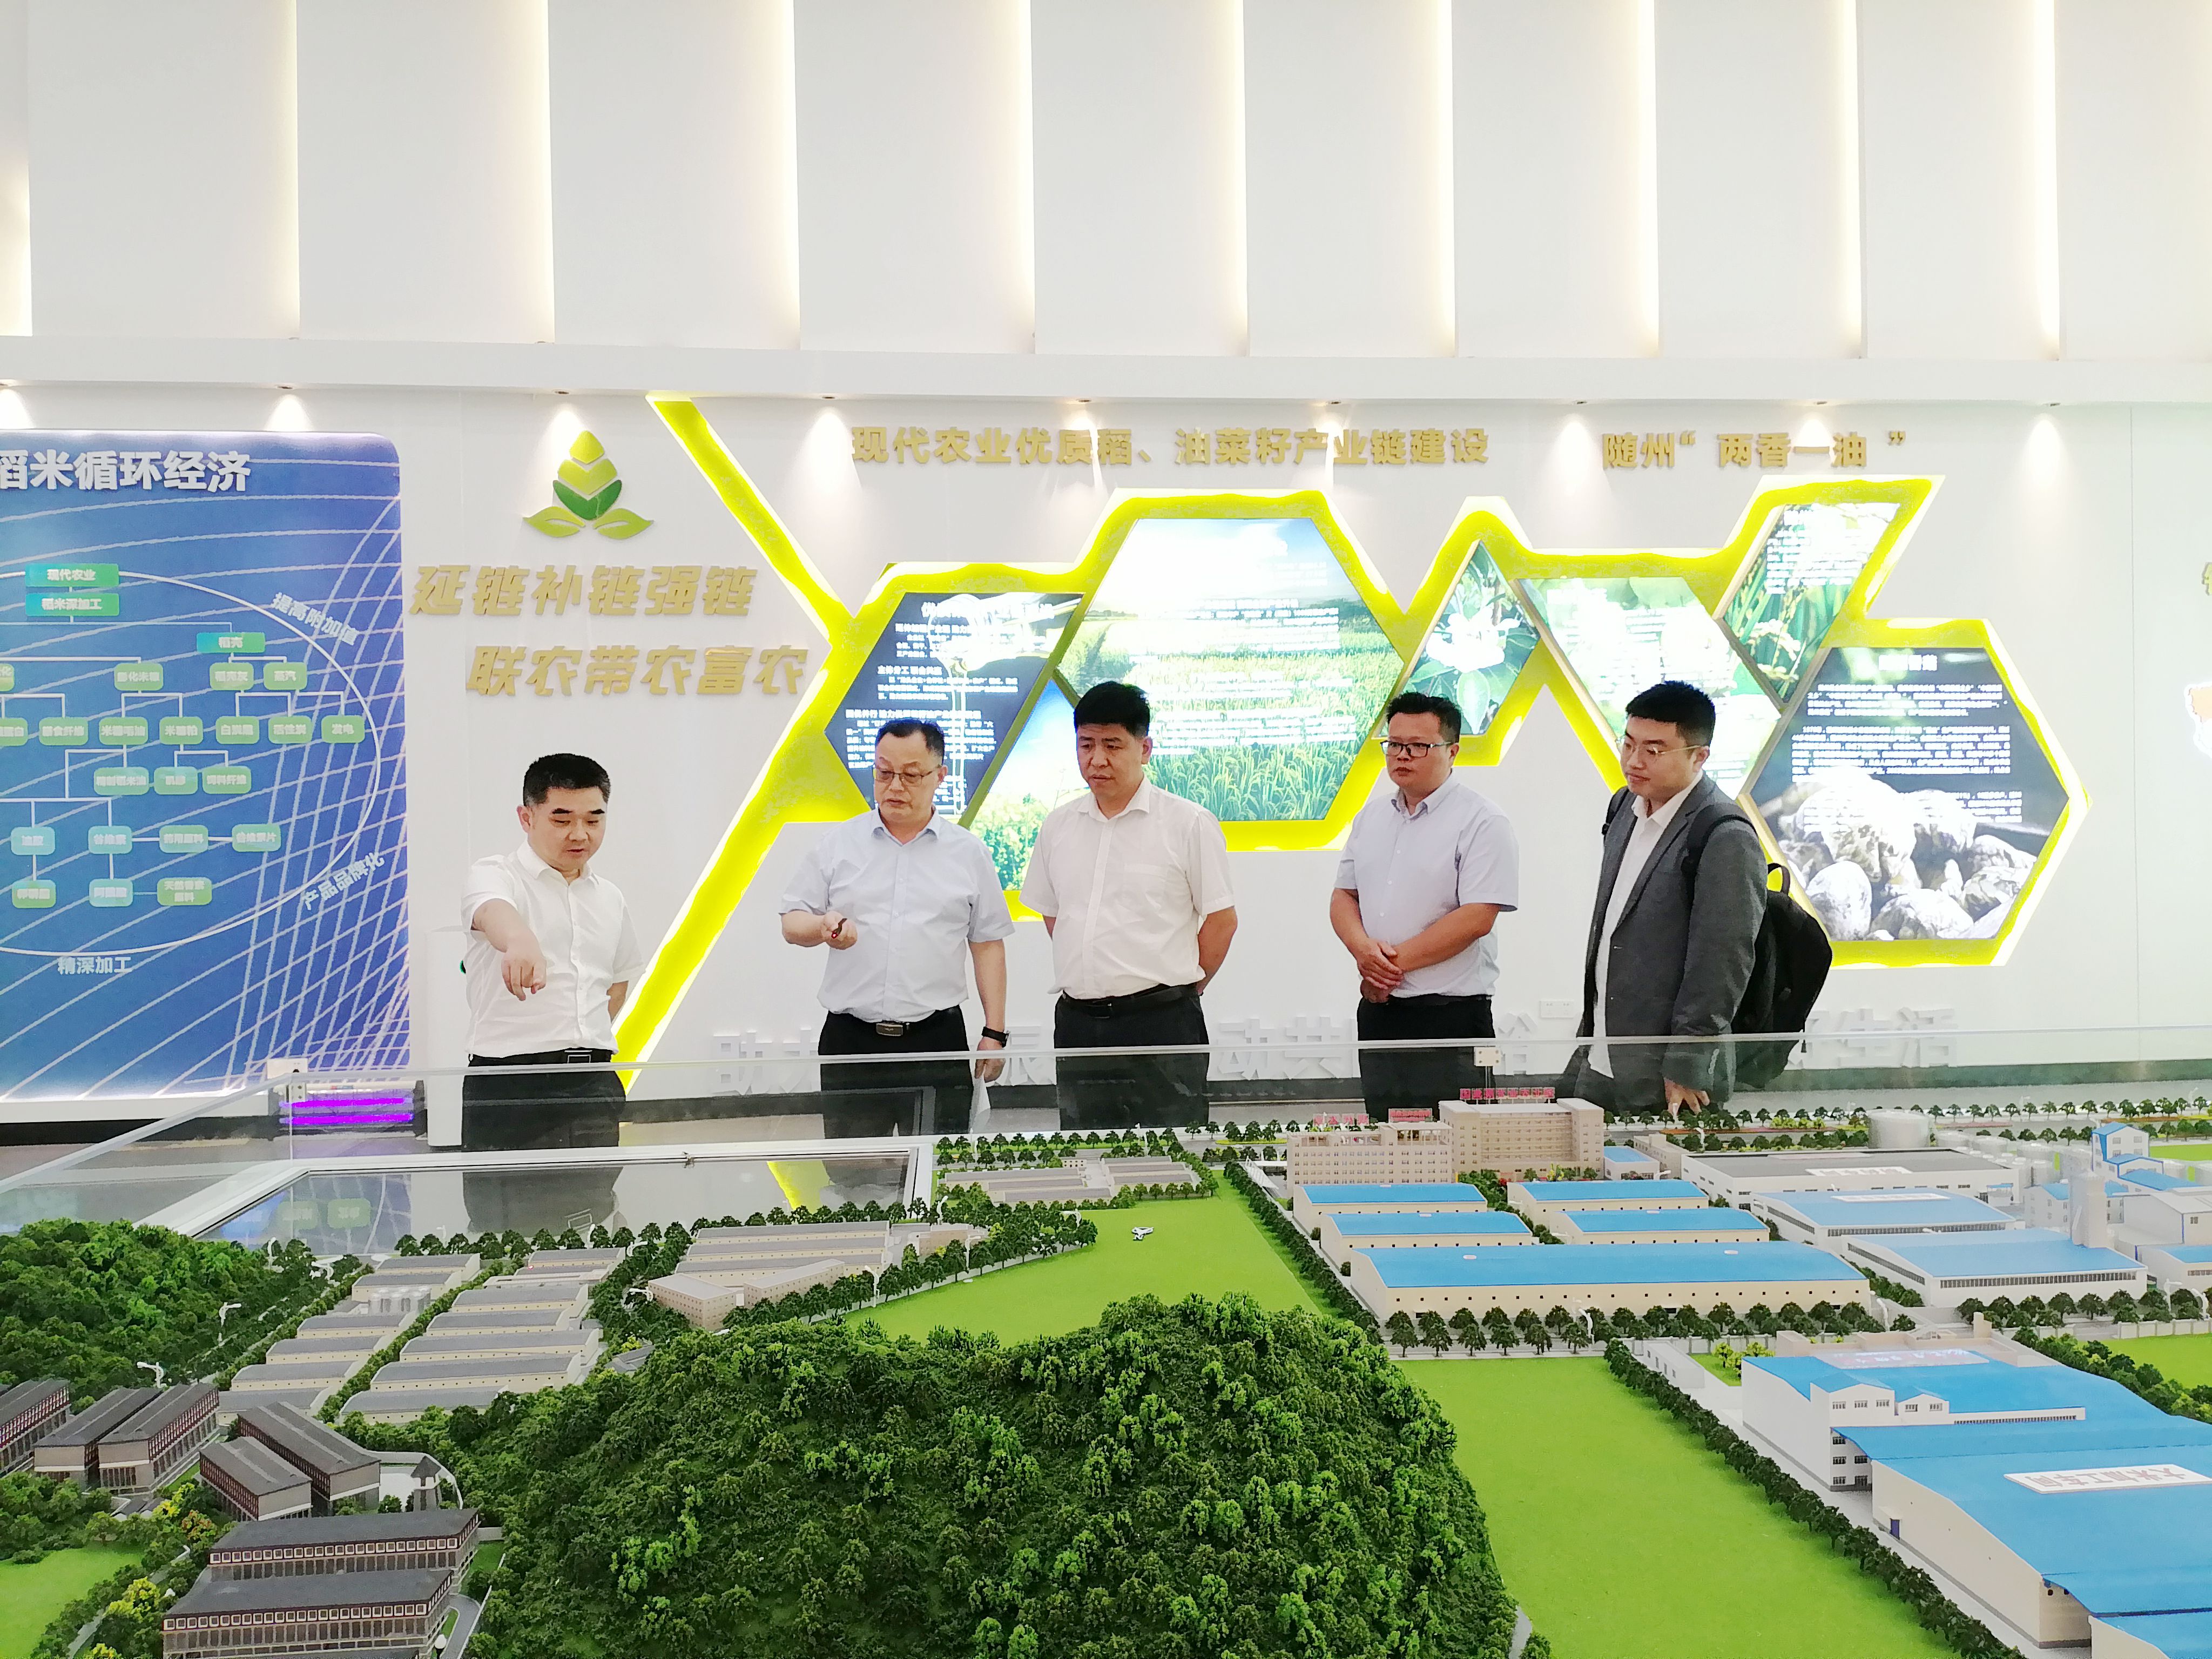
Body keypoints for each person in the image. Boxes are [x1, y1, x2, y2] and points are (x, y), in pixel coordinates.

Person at [780, 718, 1013, 1134]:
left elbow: (987, 944)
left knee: (938, 1164)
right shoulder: (839, 844)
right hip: (852, 1041)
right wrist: (822, 926)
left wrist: (994, 1032)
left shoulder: (968, 853)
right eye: (884, 773)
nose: (895, 787)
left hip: (936, 1039)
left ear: (940, 776)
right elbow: (792, 920)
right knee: (854, 1168)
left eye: (911, 775)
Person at [1019, 681, 1236, 1127]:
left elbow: (1221, 920)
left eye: (1112, 745)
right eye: (1086, 745)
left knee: (1173, 1153)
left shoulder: (1188, 823)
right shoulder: (1058, 826)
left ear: (1145, 749)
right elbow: (1054, 912)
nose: (1097, 759)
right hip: (1079, 1024)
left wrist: (1183, 990)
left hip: (1161, 1025)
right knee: (1085, 1150)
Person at [458, 753, 645, 1232]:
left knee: (591, 1220)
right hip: (511, 1085)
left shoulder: (610, 897)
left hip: (591, 1084)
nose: (579, 834)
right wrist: (519, 940)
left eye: (593, 819)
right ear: (527, 817)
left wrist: (580, 1038)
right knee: (505, 1230)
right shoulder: (495, 875)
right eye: (562, 819)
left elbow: (617, 982)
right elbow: (492, 912)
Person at [1561, 681, 1766, 1117]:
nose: (1634, 761)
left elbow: (1723, 960)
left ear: (1699, 756)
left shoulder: (1724, 834)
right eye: (1629, 744)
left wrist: (1689, 1060)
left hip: (1668, 1071)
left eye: (1654, 751)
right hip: (1602, 1052)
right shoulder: (1624, 807)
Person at [1331, 691, 1518, 1118]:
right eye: (1394, 744)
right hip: (1380, 1010)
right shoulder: (1372, 817)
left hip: (1450, 1015)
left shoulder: (1483, 821)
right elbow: (1344, 895)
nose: (1402, 755)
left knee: (1459, 1142)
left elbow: (1477, 918)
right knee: (1387, 1133)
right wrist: (1363, 952)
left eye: (1418, 746)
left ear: (1453, 751)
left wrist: (1385, 969)